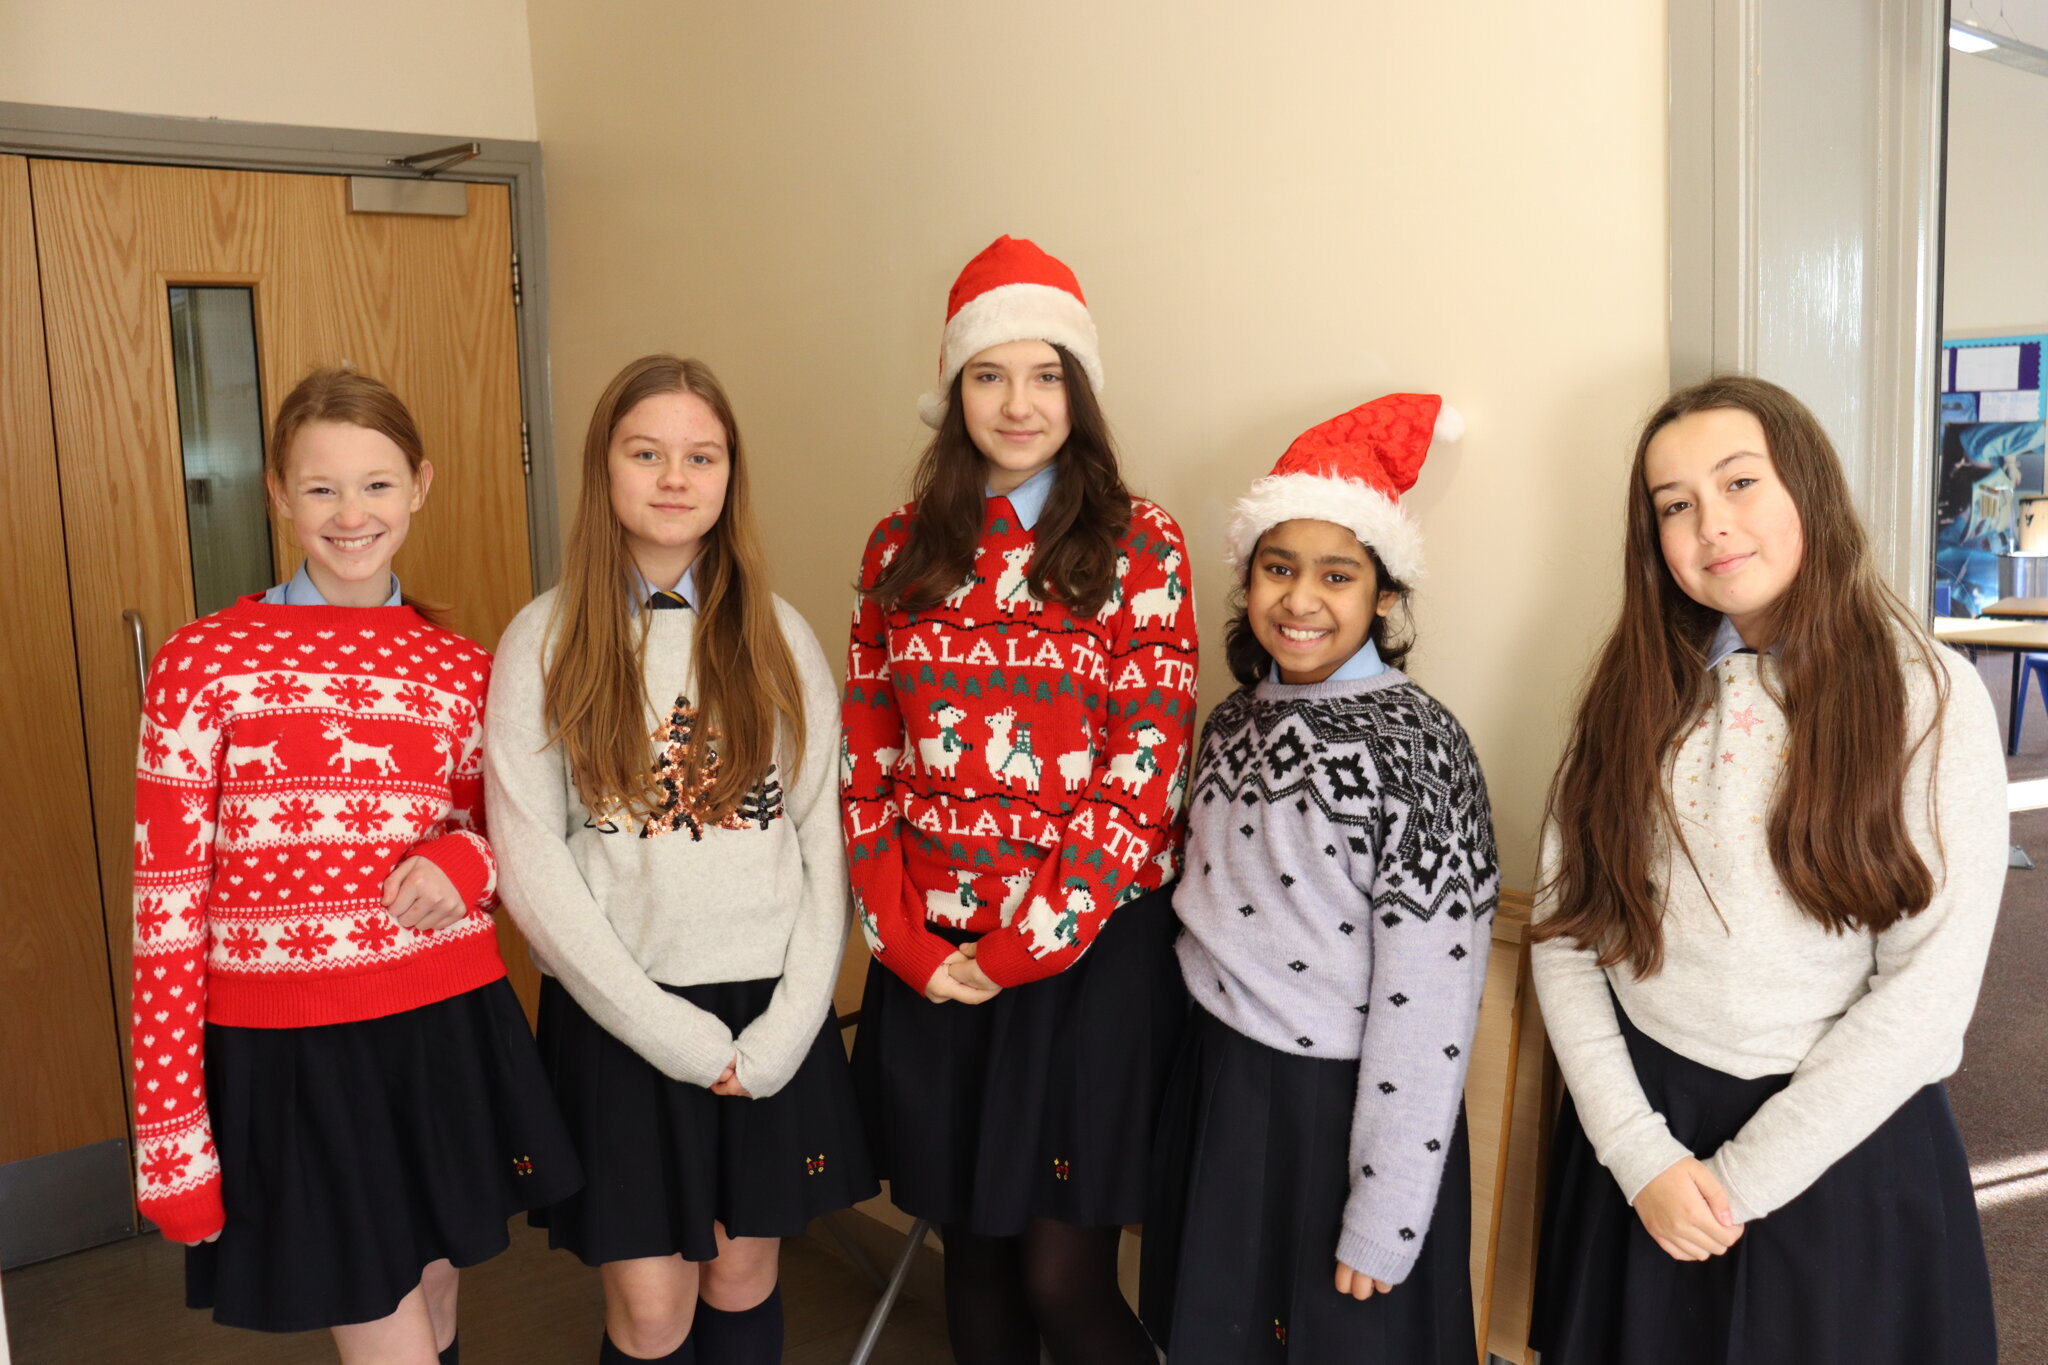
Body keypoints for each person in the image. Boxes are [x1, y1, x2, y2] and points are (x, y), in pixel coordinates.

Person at [1529, 375, 2004, 1365]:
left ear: (1807, 488)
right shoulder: (1626, 696)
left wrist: (1735, 1185)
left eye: (1738, 482)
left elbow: (1925, 994)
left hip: (1835, 1149)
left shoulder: (1928, 696)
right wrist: (1638, 1154)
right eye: (1673, 505)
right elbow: (1567, 936)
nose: (1710, 524)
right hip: (1640, 1142)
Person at [130, 367, 578, 1364]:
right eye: (322, 488)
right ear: (277, 496)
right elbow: (163, 909)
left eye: (375, 484)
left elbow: (517, 830)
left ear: (418, 484)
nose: (351, 514)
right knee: (387, 1328)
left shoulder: (462, 670)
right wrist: (169, 1136)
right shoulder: (202, 663)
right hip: (291, 1050)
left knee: (434, 1294)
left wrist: (465, 862)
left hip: (440, 1028)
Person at [842, 235, 1197, 1365]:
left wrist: (1013, 950)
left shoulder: (1141, 544)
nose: (1017, 402)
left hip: (1076, 959)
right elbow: (868, 751)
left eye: (1045, 375)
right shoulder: (899, 548)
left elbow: (1145, 767)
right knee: (974, 1257)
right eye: (989, 374)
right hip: (930, 959)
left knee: (1061, 1273)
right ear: (953, 390)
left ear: (1078, 392)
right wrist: (897, 936)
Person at [486, 354, 872, 1364]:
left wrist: (791, 1026)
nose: (673, 477)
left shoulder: (779, 638)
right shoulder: (544, 639)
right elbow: (531, 866)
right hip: (624, 1013)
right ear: (603, 468)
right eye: (646, 452)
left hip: (766, 1016)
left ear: (728, 475)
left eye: (701, 456)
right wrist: (672, 1035)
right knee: (652, 1313)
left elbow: (818, 842)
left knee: (741, 1276)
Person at [1140, 393, 1493, 1362]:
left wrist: (1385, 1206)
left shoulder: (1421, 747)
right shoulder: (1227, 726)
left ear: (1382, 595)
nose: (1299, 600)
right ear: (1246, 579)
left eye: (1335, 576)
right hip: (1216, 1092)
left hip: (1340, 1115)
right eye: (1276, 569)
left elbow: (1430, 997)